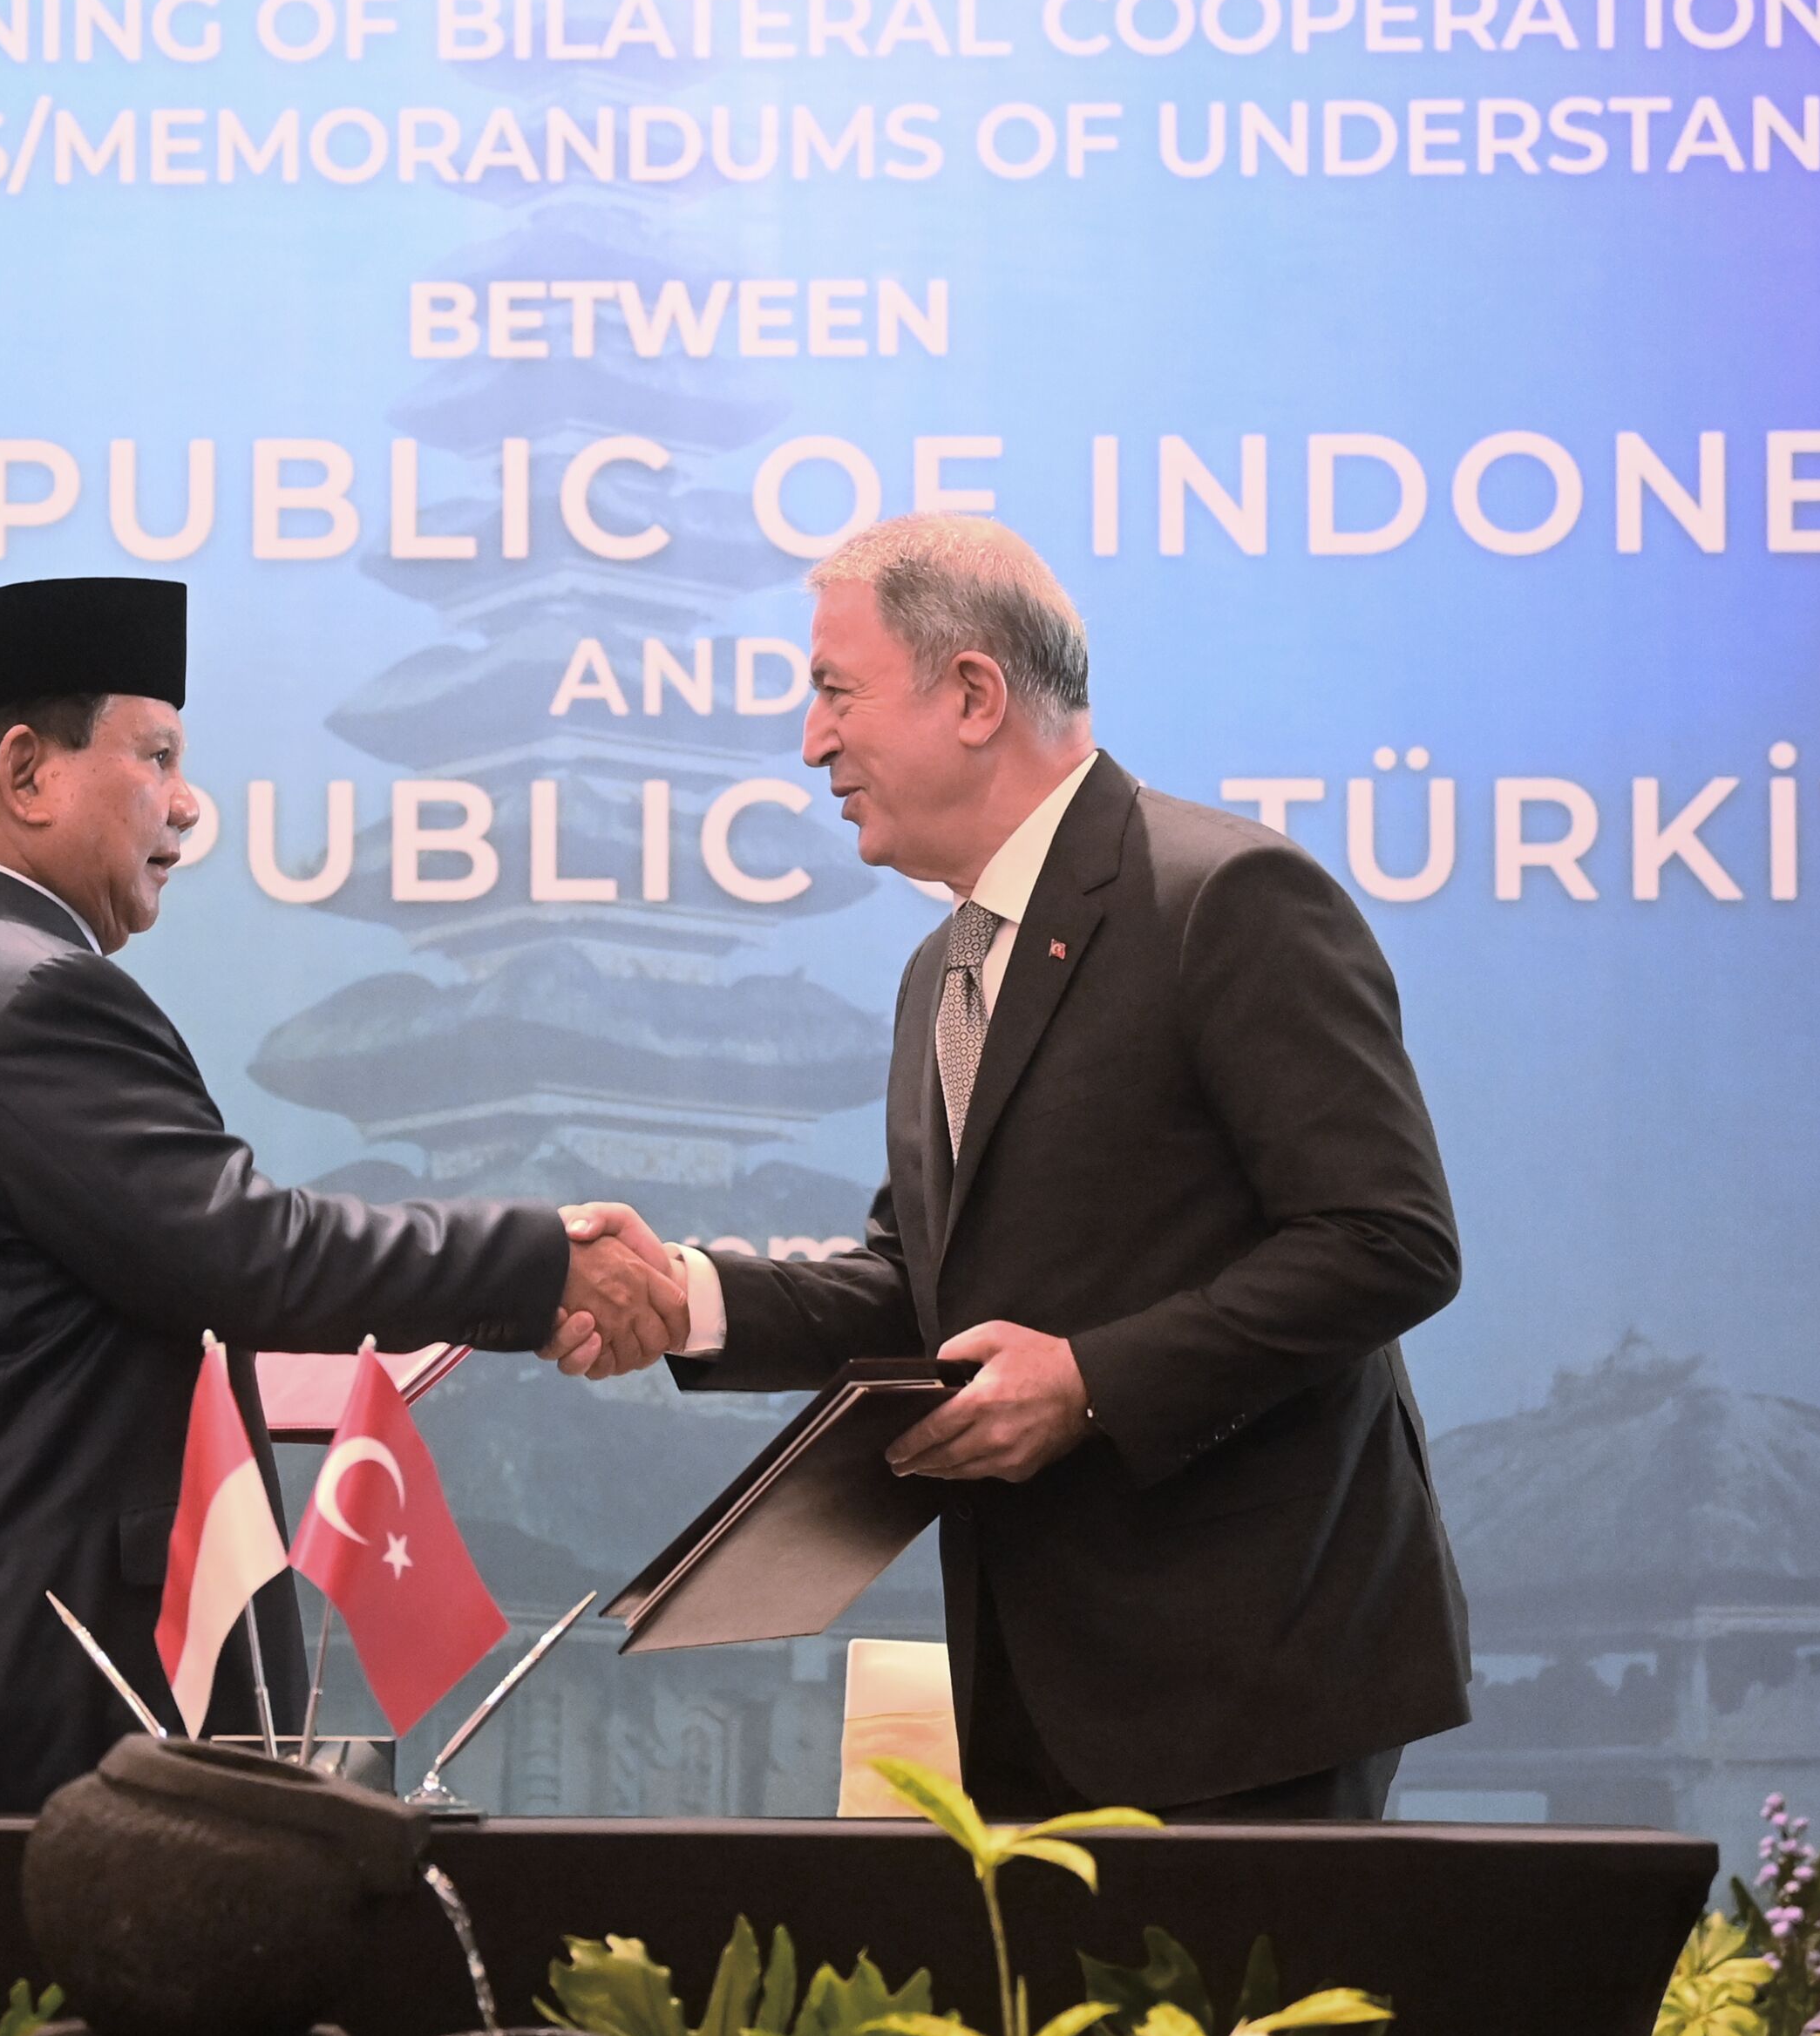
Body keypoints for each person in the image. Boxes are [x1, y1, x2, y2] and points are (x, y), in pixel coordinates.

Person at [0, 576, 683, 1814]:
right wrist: (544, 1259)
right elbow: (251, 1253)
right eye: (157, 756)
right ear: (27, 773)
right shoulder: (34, 997)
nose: (186, 805)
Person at [591, 515, 1469, 1819]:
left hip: (1250, 1692)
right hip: (1036, 1693)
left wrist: (1088, 1382)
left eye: (834, 691)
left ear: (972, 694)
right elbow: (923, 1292)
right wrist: (688, 1299)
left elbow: (1386, 1239)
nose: (811, 742)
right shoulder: (940, 968)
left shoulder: (1227, 897)